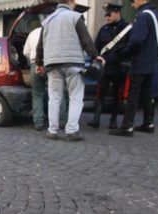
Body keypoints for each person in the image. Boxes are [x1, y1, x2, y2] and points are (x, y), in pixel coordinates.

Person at [36, 0, 105, 141]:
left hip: (52, 64)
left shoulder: (47, 21)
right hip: (73, 63)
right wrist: (95, 55)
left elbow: (40, 46)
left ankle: (52, 131)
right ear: (71, 2)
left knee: (54, 98)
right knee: (76, 97)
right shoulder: (74, 16)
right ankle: (72, 131)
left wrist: (38, 63)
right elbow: (86, 39)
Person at [109, 0, 158, 137]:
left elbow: (137, 40)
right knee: (146, 93)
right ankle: (148, 123)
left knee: (133, 93)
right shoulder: (156, 14)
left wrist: (124, 53)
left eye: (133, 1)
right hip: (152, 60)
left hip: (141, 60)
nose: (132, 4)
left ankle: (127, 126)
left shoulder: (143, 16)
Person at [88, 3, 129, 129]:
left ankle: (113, 121)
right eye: (106, 14)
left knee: (118, 95)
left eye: (109, 14)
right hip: (105, 68)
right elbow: (96, 47)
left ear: (117, 13)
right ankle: (96, 120)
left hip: (119, 68)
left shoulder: (128, 29)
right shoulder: (104, 29)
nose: (106, 17)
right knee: (100, 94)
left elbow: (131, 48)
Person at [23, 22, 68, 131]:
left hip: (35, 65)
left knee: (37, 94)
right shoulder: (54, 31)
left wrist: (33, 60)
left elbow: (25, 52)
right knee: (58, 93)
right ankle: (61, 122)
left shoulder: (32, 33)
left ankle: (38, 123)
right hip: (51, 64)